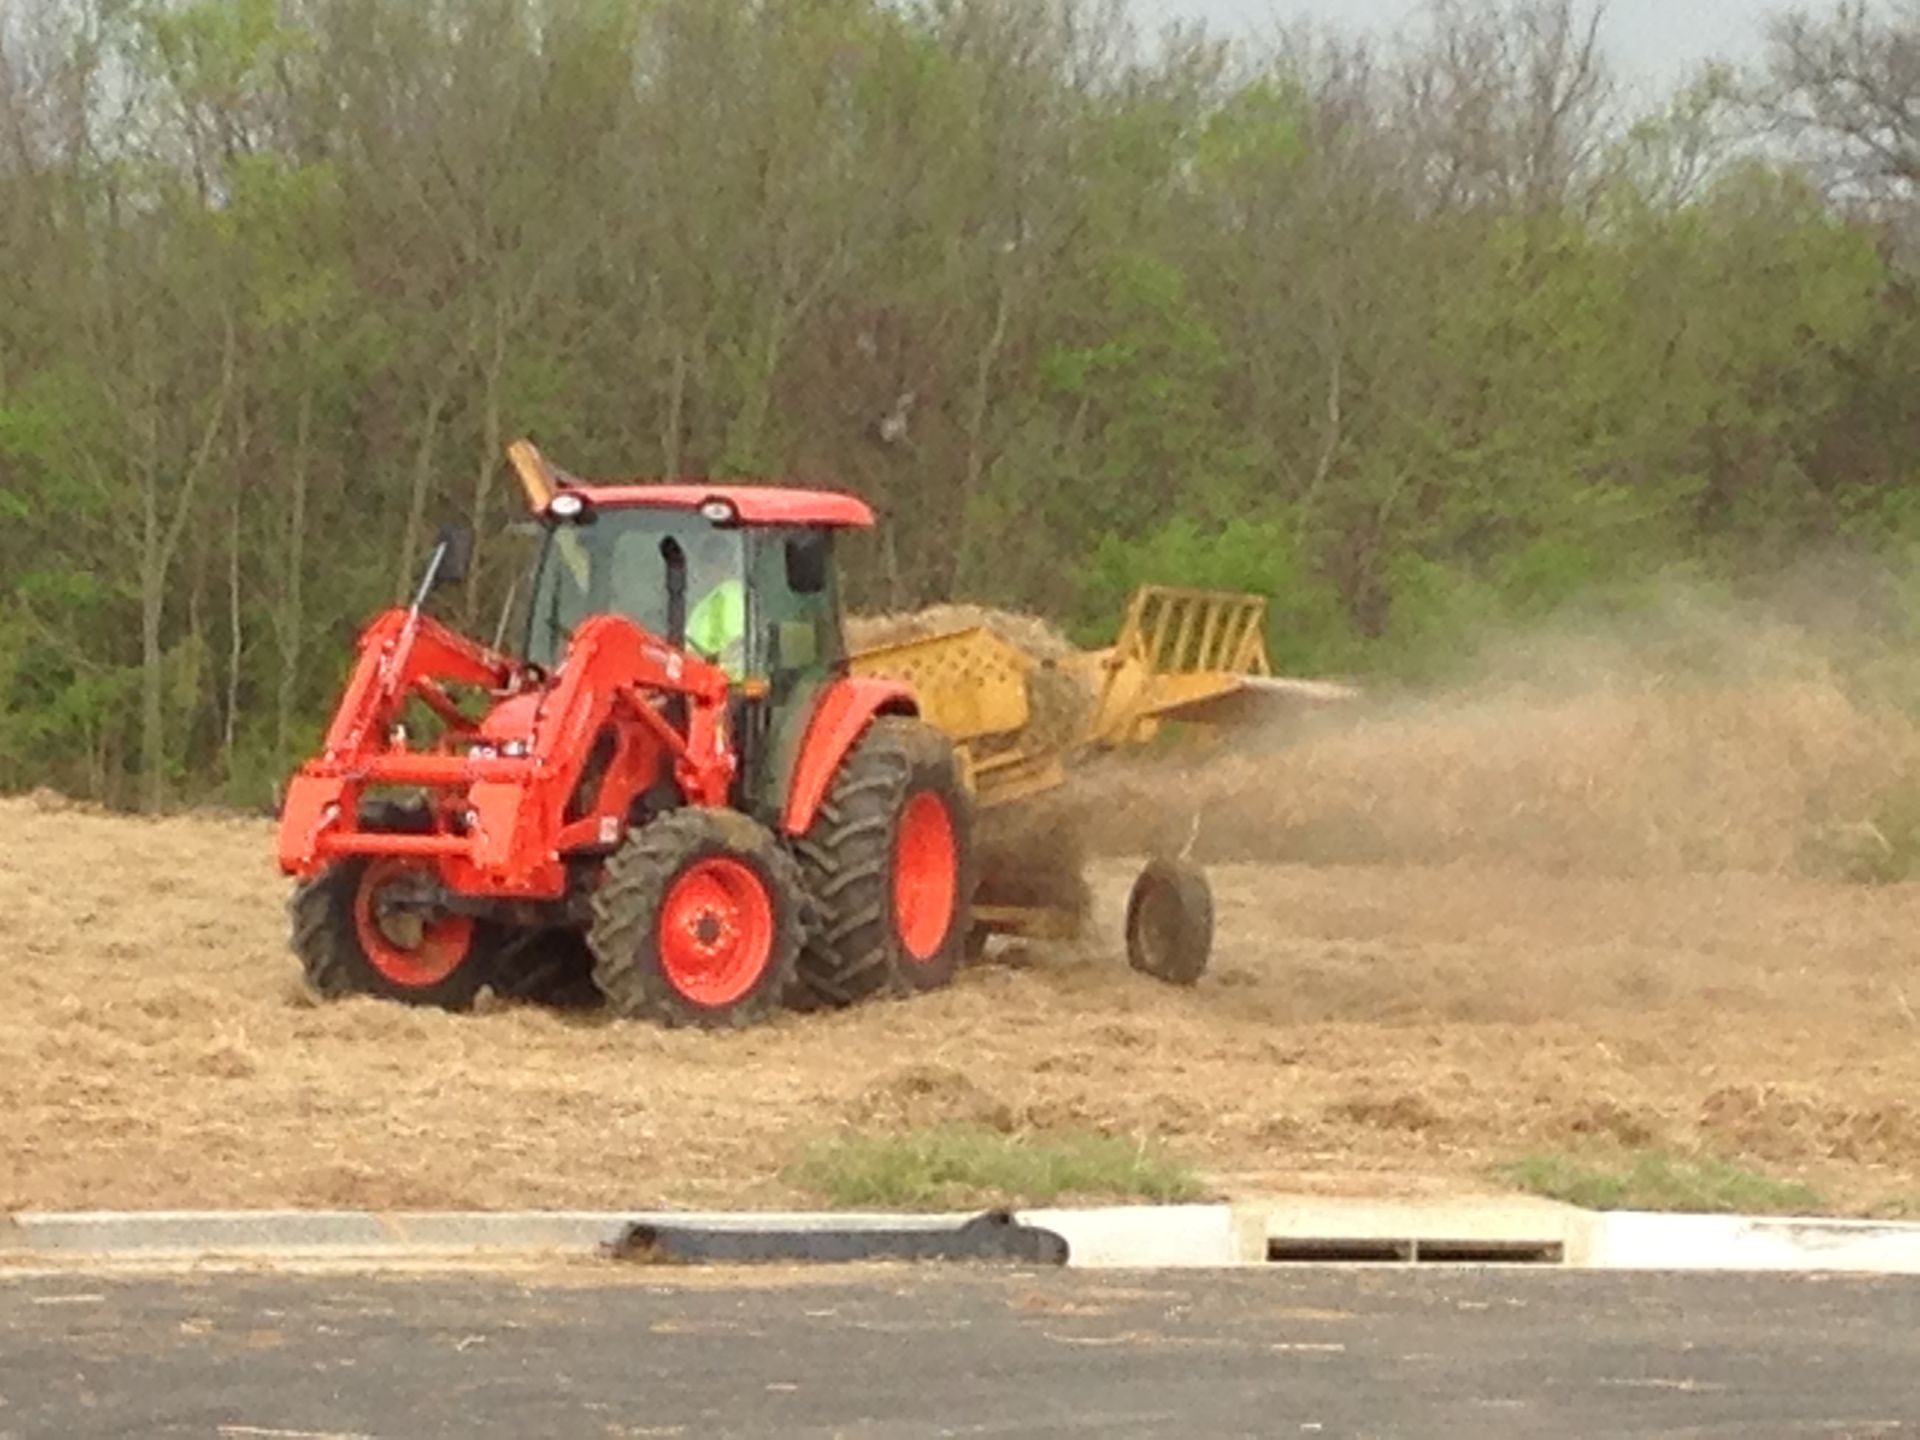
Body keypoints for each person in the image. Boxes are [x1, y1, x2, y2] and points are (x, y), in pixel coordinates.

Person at [683, 529, 747, 678]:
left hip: (727, 685)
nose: (705, 570)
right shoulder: (708, 601)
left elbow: (739, 643)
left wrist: (713, 663)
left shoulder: (730, 595)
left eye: (712, 562)